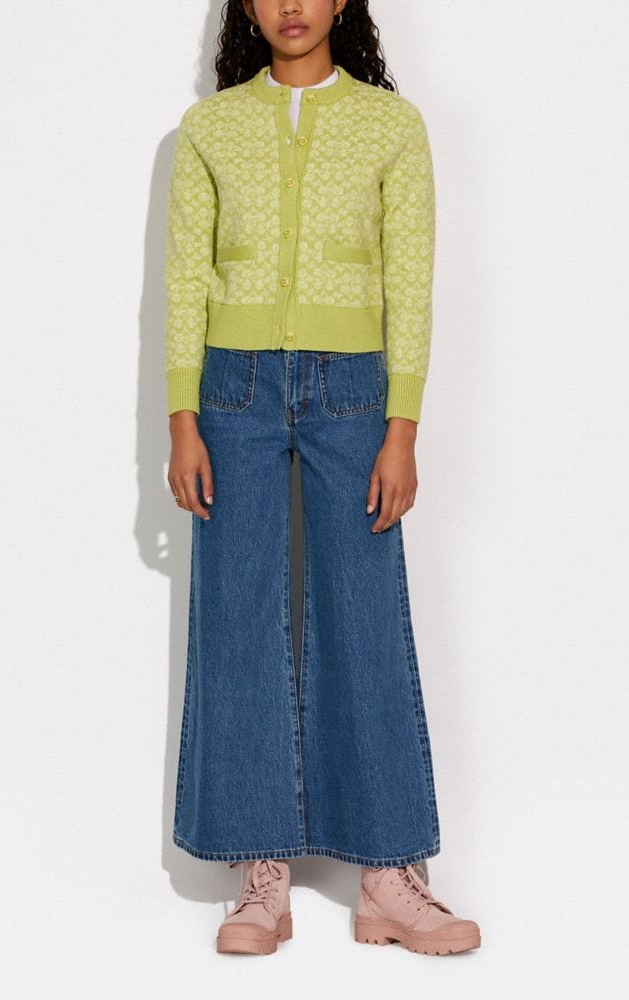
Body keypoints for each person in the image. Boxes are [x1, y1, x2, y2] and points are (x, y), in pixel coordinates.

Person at [164, 0, 480, 956]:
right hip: (233, 387)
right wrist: (182, 417)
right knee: (237, 613)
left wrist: (403, 427)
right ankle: (258, 873)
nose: (291, 5)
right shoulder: (210, 127)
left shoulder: (392, 124)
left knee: (363, 612)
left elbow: (410, 281)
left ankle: (388, 874)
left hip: (354, 392)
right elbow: (184, 279)